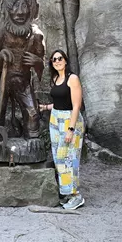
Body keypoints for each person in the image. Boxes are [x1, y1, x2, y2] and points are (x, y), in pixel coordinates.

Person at [38, 49, 85, 210]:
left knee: (69, 157)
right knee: (59, 158)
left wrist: (71, 129)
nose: (57, 61)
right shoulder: (56, 78)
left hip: (70, 120)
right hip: (55, 119)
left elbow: (76, 105)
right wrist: (45, 107)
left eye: (60, 58)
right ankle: (67, 193)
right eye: (54, 59)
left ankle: (76, 195)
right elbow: (60, 102)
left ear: (65, 60)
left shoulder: (73, 79)